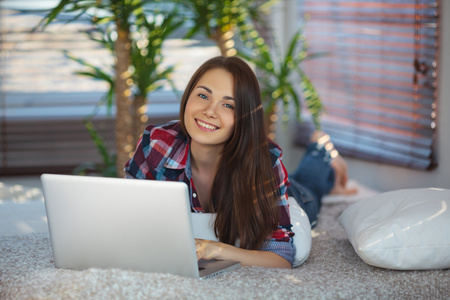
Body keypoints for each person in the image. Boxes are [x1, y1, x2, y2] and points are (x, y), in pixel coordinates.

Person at [124, 56, 356, 269]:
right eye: (203, 95)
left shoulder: (265, 161)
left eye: (228, 105)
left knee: (310, 185)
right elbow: (128, 217)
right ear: (188, 97)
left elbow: (281, 256)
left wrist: (218, 249)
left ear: (244, 117)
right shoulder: (156, 144)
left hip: (294, 196)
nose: (209, 111)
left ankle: (321, 148)